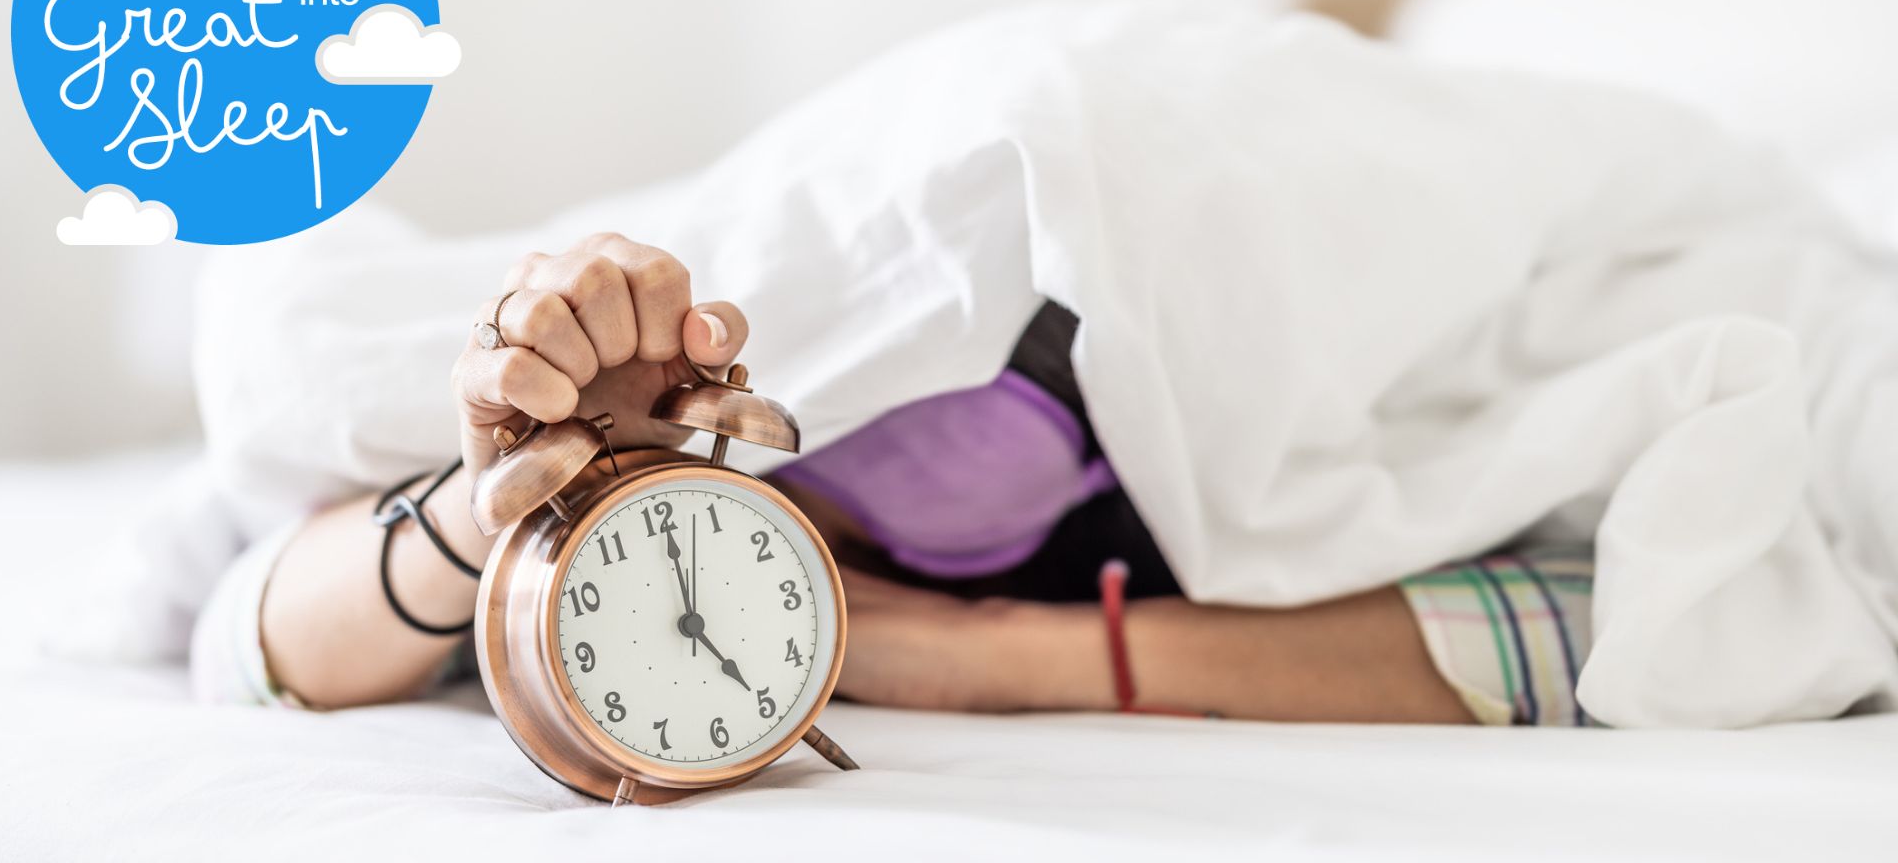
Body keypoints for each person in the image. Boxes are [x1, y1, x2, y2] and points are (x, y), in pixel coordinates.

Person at [194, 231, 1593, 728]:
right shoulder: (598, 574)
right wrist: (495, 485)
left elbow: (1593, 620)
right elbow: (248, 632)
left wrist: (974, 657)